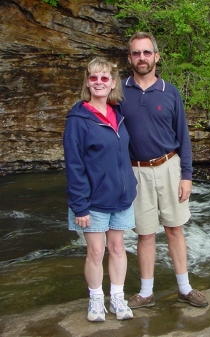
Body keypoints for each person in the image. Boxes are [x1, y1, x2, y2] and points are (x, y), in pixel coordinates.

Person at [120, 32, 208, 308]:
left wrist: (187, 176)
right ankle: (146, 293)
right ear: (129, 58)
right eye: (136, 53)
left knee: (174, 229)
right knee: (145, 234)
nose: (142, 58)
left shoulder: (170, 92)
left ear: (156, 57)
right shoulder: (118, 92)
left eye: (147, 52)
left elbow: (183, 136)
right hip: (136, 172)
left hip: (169, 167)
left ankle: (184, 288)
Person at [63, 57, 137, 322]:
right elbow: (74, 164)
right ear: (87, 82)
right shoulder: (78, 119)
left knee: (118, 248)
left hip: (121, 197)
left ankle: (117, 298)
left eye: (104, 78)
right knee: (95, 251)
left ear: (113, 83)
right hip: (92, 201)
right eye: (94, 78)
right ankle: (96, 301)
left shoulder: (117, 114)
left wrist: (132, 186)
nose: (99, 82)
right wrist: (79, 205)